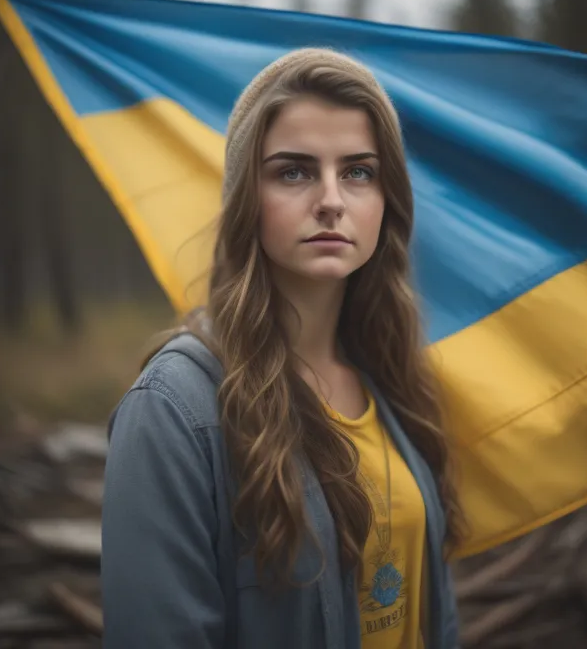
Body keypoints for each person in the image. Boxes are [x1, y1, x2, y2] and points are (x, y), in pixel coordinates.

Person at [101, 48, 465, 649]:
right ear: (248, 197)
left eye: (358, 172)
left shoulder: (395, 378)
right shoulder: (174, 411)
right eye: (293, 171)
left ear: (386, 201)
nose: (331, 199)